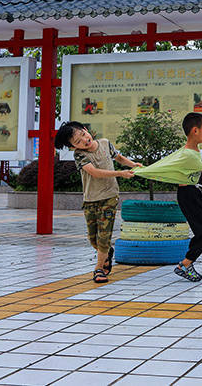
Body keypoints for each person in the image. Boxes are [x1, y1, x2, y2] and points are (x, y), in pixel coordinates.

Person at [133, 112, 202, 282]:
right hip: (188, 195)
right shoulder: (188, 154)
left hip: (192, 193)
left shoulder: (193, 151)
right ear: (195, 130)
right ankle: (185, 264)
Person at [54, 121, 141, 284]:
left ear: (86, 130)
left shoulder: (105, 143)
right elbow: (94, 173)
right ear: (73, 147)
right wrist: (120, 173)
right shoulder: (80, 155)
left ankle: (99, 269)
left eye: (83, 135)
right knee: (93, 238)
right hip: (90, 199)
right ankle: (106, 252)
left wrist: (133, 164)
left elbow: (119, 157)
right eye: (78, 142)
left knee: (104, 235)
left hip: (109, 197)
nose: (84, 141)